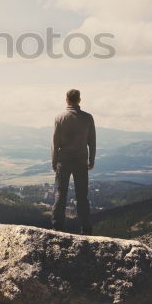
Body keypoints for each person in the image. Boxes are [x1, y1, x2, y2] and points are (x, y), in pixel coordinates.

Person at [51, 88, 96, 234]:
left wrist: (54, 162)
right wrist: (91, 160)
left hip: (63, 161)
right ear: (79, 100)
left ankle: (57, 227)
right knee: (82, 196)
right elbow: (92, 142)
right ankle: (86, 229)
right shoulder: (88, 118)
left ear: (67, 100)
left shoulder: (59, 118)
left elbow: (54, 143)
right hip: (81, 161)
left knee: (60, 194)